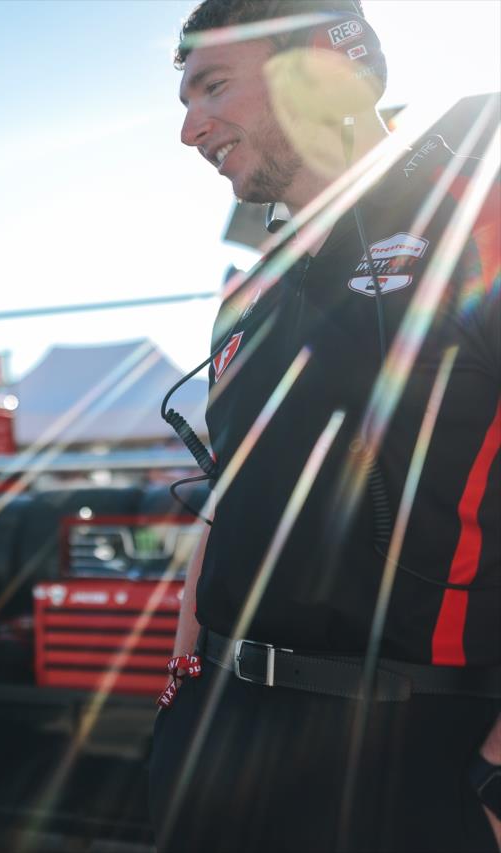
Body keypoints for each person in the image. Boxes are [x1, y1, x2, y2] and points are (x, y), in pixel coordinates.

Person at [150, 1, 501, 851]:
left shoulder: (479, 207)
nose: (191, 130)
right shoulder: (247, 294)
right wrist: (180, 695)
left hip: (422, 750)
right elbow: (227, 501)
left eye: (213, 86)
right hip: (229, 739)